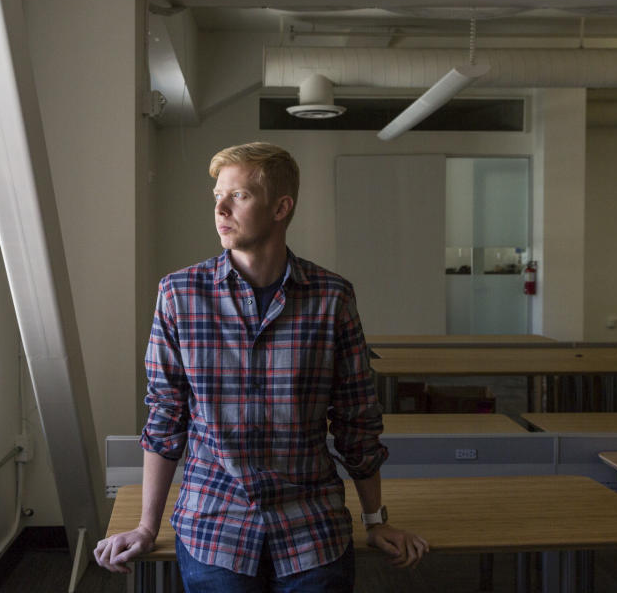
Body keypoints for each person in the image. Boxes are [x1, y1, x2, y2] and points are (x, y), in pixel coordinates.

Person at [94, 142, 428, 591]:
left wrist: (375, 520)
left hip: (312, 523)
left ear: (280, 208)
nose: (221, 208)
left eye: (240, 196)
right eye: (218, 196)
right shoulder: (179, 294)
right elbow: (165, 417)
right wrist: (146, 527)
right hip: (215, 521)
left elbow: (357, 420)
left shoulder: (331, 297)